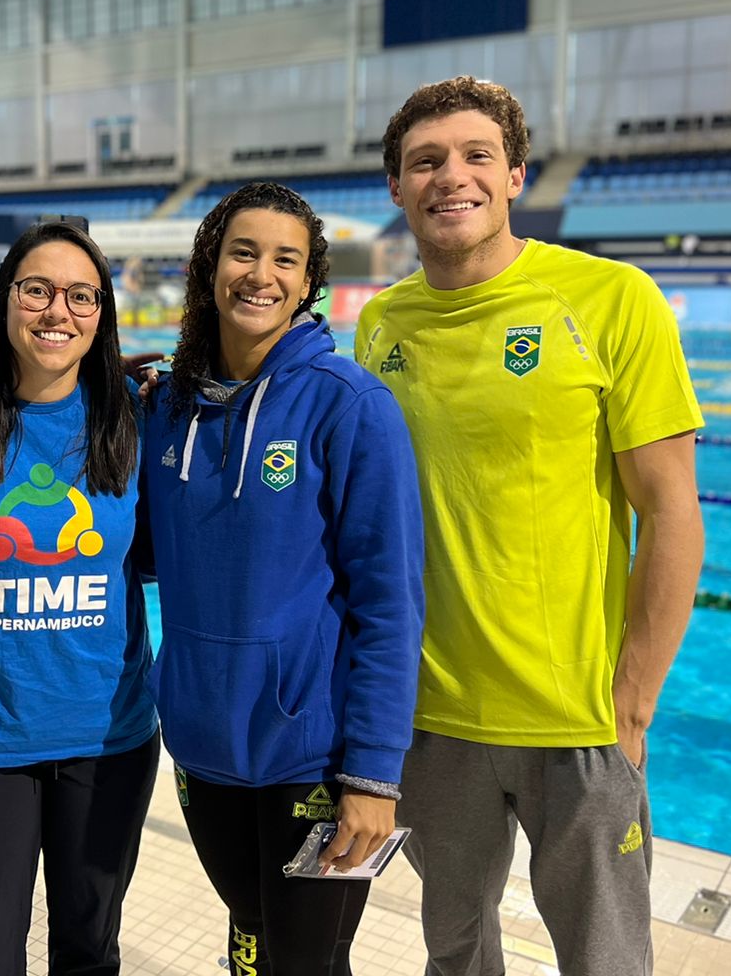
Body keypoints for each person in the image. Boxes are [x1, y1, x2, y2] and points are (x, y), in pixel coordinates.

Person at [356, 76, 705, 976]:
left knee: (606, 960)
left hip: (577, 721)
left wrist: (632, 701)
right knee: (457, 954)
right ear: (396, 188)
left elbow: (672, 511)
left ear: (516, 174)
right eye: (424, 161)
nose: (450, 177)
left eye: (476, 156)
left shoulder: (611, 299)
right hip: (430, 723)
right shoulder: (381, 324)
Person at [139, 182, 425, 976]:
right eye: (242, 252)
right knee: (252, 941)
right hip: (202, 747)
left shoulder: (352, 407)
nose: (260, 274)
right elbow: (145, 554)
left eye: (284, 259)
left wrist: (374, 773)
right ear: (209, 266)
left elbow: (390, 605)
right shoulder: (168, 409)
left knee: (307, 962)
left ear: (307, 282)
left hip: (314, 760)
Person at [0, 219, 158, 976]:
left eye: (81, 296)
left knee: (90, 950)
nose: (58, 310)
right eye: (38, 290)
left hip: (108, 737)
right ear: (4, 299)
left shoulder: (135, 411)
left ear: (103, 313)